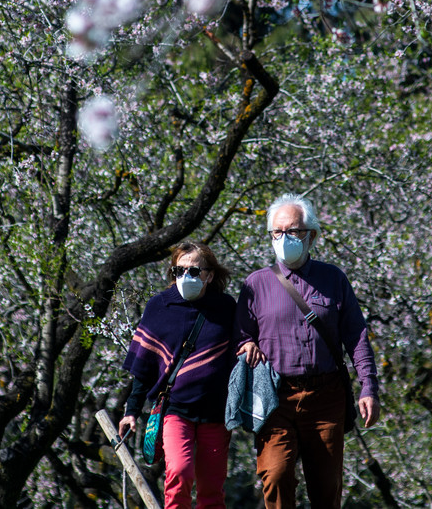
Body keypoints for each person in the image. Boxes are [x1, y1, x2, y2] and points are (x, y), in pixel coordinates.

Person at [236, 193, 380, 509]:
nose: (284, 238)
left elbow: (356, 336)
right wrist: (246, 344)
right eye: (278, 232)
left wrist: (368, 387)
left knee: (326, 489)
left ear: (310, 235)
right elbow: (241, 335)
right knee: (275, 475)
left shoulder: (334, 279)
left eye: (293, 231)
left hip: (326, 397)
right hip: (275, 397)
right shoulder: (255, 284)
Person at [119, 241, 237, 509]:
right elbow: (144, 367)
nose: (186, 277)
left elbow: (242, 350)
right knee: (179, 474)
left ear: (209, 275)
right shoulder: (159, 306)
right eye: (179, 271)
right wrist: (131, 410)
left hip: (216, 412)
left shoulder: (226, 307)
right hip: (175, 409)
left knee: (212, 487)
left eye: (194, 272)